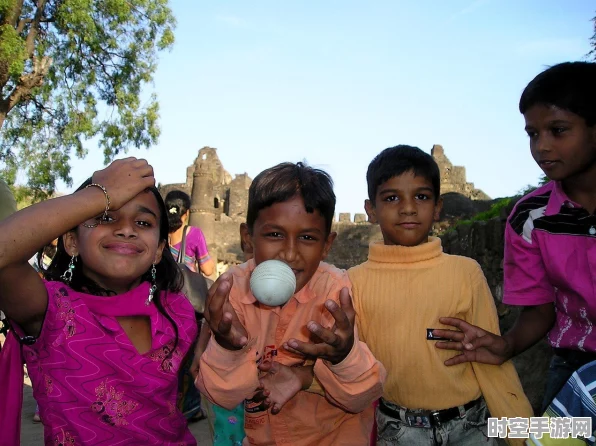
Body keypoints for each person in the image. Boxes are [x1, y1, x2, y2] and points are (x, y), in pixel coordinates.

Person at [433, 61, 596, 410]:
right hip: (574, 364)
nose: (542, 147)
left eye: (558, 130)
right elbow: (539, 310)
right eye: (533, 134)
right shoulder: (529, 218)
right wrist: (506, 345)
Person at [0, 158, 198, 445]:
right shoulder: (50, 310)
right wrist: (99, 194)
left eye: (143, 222)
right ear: (71, 241)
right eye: (106, 217)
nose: (126, 230)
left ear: (158, 251)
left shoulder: (175, 311)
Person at [347, 145, 532, 445]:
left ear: (437, 207)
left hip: (471, 425)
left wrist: (521, 434)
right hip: (397, 431)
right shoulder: (353, 283)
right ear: (371, 210)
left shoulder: (465, 273)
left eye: (421, 196)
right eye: (392, 198)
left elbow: (491, 360)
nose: (408, 207)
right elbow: (351, 368)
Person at [196, 162, 385, 445]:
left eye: (307, 238)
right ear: (247, 239)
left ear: (326, 245)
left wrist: (343, 356)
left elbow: (363, 396)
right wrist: (228, 348)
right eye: (275, 234)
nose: (289, 252)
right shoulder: (232, 290)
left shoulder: (335, 291)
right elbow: (221, 395)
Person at [165, 190, 215, 277]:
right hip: (183, 287)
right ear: (187, 213)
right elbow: (207, 270)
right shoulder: (194, 234)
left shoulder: (157, 231)